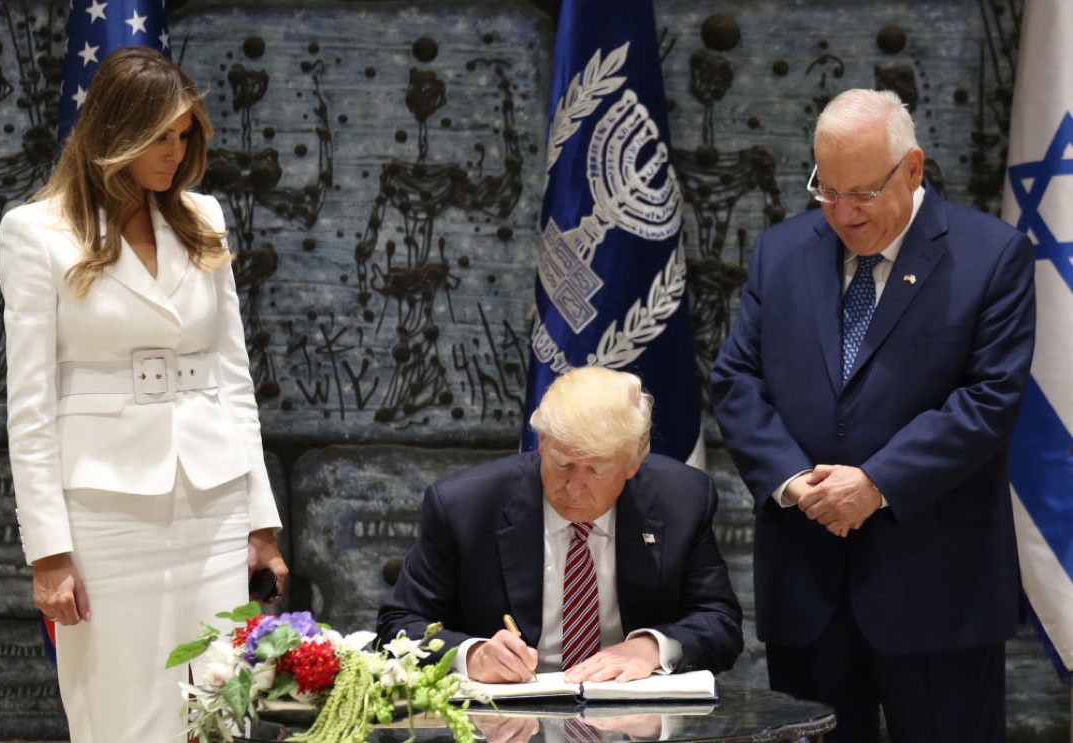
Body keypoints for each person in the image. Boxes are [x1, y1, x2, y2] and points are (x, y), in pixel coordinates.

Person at [710, 88, 1035, 743]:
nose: (842, 213)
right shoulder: (780, 252)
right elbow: (737, 379)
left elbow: (988, 398)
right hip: (807, 588)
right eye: (826, 191)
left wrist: (876, 482)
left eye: (861, 193)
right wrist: (794, 482)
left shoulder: (991, 255)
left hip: (939, 593)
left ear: (913, 169)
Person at [0, 47, 289, 742]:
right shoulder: (36, 232)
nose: (176, 153)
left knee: (219, 705)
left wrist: (261, 523)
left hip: (214, 505)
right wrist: (48, 554)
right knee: (121, 712)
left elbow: (232, 378)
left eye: (185, 136)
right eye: (160, 136)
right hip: (107, 513)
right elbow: (30, 408)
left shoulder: (203, 216)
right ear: (115, 131)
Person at [377, 366, 744, 684]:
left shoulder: (681, 500)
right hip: (509, 718)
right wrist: (472, 656)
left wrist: (651, 648)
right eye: (563, 464)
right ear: (542, 442)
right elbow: (399, 625)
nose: (574, 488)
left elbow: (720, 624)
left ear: (634, 464)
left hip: (632, 716)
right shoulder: (464, 506)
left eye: (596, 471)